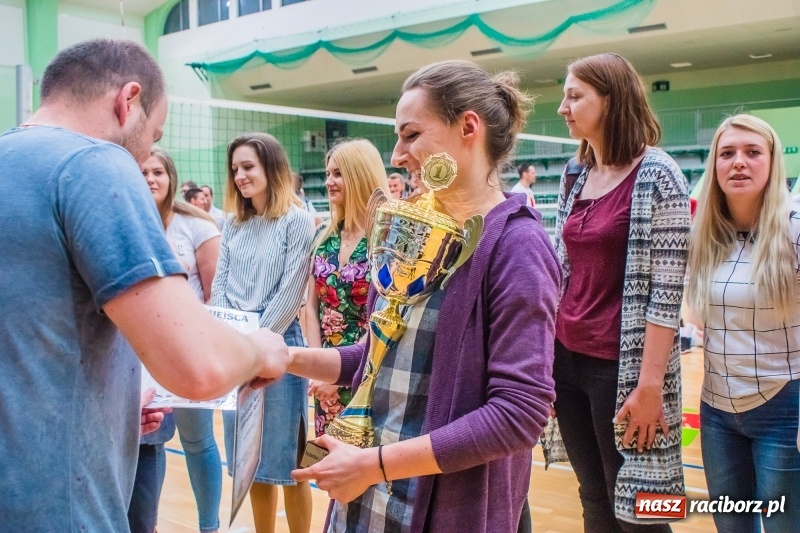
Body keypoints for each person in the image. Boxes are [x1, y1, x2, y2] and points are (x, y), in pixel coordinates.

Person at [0, 38, 289, 532]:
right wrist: (260, 350)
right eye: (152, 135)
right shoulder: (94, 163)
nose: (146, 154)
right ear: (127, 100)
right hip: (57, 510)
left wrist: (105, 413)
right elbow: (195, 366)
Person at [289, 59, 560, 533]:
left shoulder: (517, 245)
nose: (397, 155)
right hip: (368, 492)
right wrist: (287, 357)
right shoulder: (410, 225)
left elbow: (520, 414)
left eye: (411, 135)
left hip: (436, 504)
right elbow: (380, 355)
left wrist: (375, 464)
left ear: (468, 127)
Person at [549, 52, 689, 531]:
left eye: (574, 96)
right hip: (566, 361)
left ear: (610, 100)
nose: (563, 108)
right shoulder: (576, 172)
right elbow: (561, 269)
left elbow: (667, 293)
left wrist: (649, 386)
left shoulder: (659, 174)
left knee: (643, 506)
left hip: (623, 370)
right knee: (593, 496)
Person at [686, 114, 800, 532]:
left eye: (753, 153)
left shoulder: (793, 226)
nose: (739, 162)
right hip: (717, 410)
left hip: (786, 406)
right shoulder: (705, 234)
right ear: (714, 165)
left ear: (772, 163)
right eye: (727, 153)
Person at [212, 132, 315, 533]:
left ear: (271, 168)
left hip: (279, 347)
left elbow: (291, 294)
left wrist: (255, 345)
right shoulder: (233, 224)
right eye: (235, 168)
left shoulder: (296, 220)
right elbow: (219, 285)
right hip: (238, 347)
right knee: (249, 464)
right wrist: (232, 340)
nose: (239, 175)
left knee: (287, 464)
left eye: (248, 166)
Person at [140, 147, 225, 533]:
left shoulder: (197, 226)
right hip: (139, 354)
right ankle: (148, 524)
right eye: (142, 172)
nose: (150, 179)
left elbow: (214, 296)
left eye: (157, 171)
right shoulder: (128, 221)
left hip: (187, 351)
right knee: (148, 443)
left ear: (171, 177)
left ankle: (209, 526)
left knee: (197, 442)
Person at [305, 138, 390, 438]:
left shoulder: (387, 237)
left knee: (366, 472)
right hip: (324, 375)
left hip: (368, 373)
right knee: (328, 470)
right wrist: (318, 368)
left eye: (338, 174)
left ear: (359, 175)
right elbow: (311, 310)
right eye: (328, 173)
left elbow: (385, 316)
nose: (329, 181)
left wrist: (338, 377)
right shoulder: (323, 236)